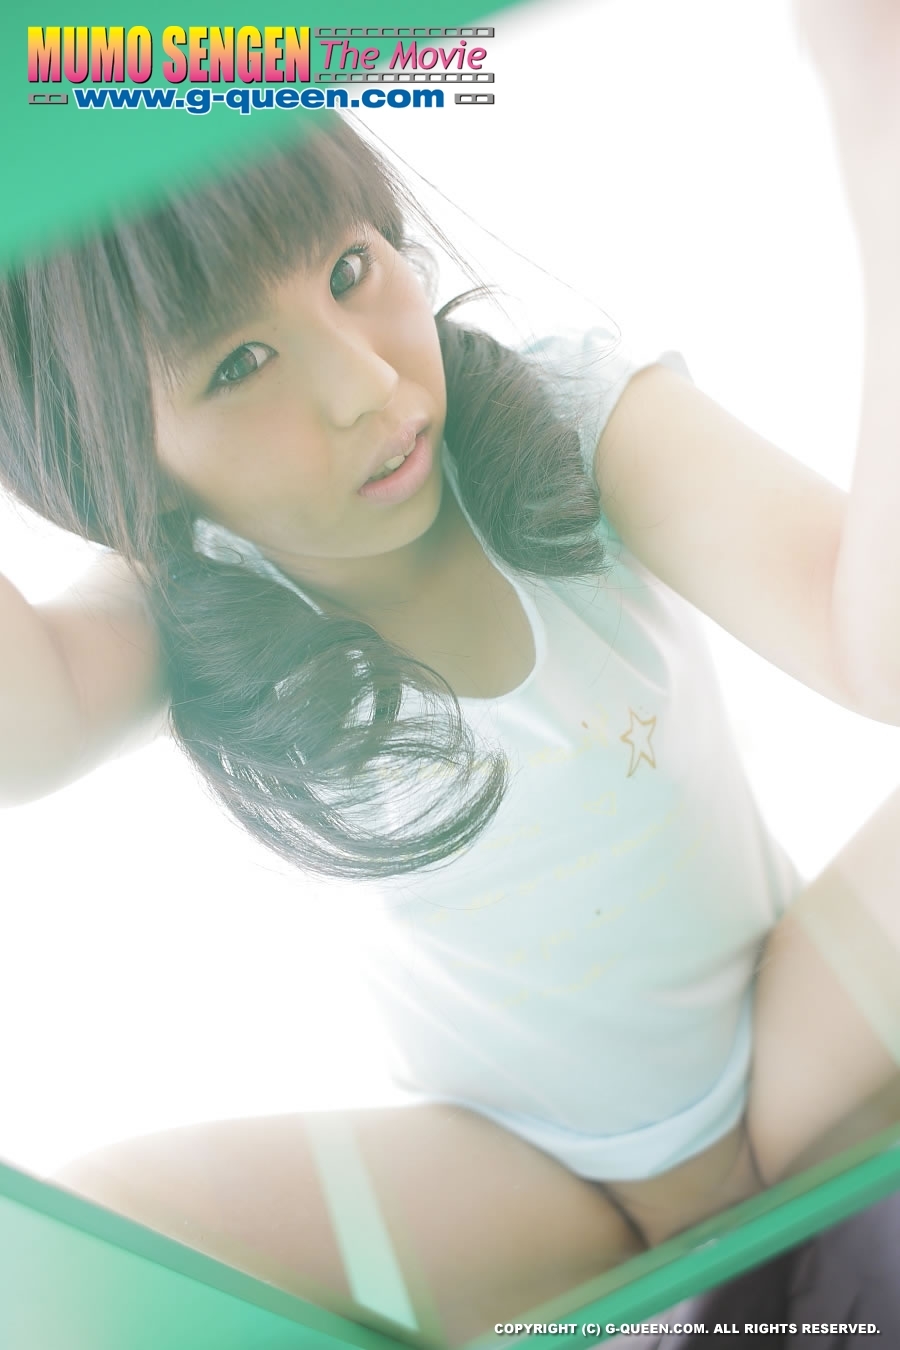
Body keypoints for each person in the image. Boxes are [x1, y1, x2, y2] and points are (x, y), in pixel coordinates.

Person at [1, 1, 899, 1341]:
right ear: (119, 467)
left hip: (792, 1037)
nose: (366, 384)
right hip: (525, 1184)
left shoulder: (567, 415)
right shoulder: (183, 596)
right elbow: (19, 733)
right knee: (67, 1251)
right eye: (241, 364)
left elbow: (871, 640)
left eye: (351, 270)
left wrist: (875, 118)